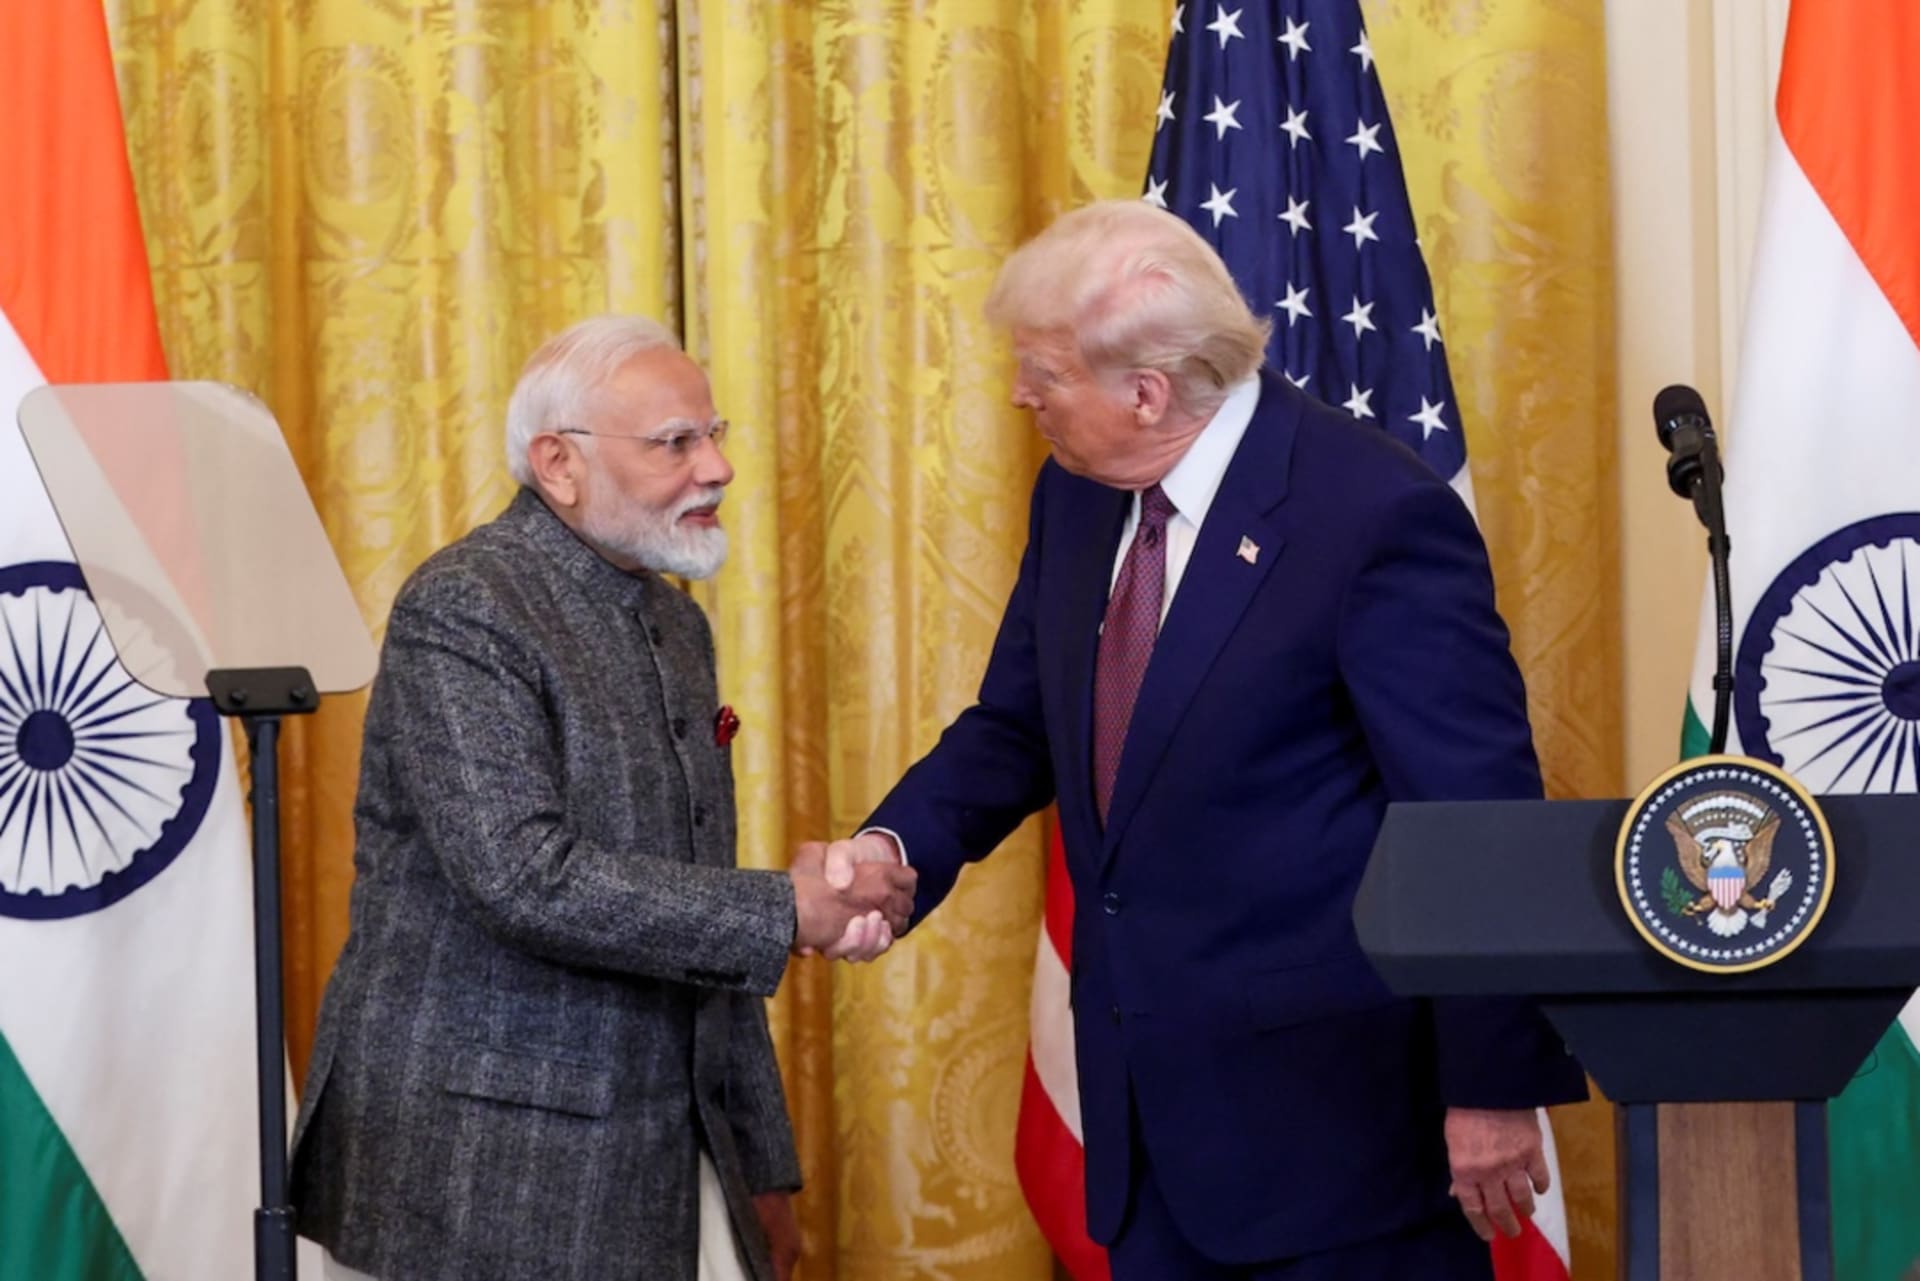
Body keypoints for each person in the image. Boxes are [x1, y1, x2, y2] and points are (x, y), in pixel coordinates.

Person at [800, 201, 1587, 1280]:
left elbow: (1476, 820)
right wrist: (895, 853)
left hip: (1337, 1147)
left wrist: (1492, 1086)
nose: (1021, 394)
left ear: (1146, 390)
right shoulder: (1078, 496)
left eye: (1042, 372)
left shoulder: (1369, 514)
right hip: (1146, 1128)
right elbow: (1017, 724)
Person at [291, 315, 913, 1281]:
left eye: (717, 435)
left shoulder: (673, 619)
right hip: (478, 1174)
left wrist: (761, 1166)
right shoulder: (467, 605)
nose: (718, 468)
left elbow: (695, 910)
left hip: (659, 1158)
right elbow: (523, 878)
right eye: (677, 442)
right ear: (559, 463)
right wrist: (791, 907)